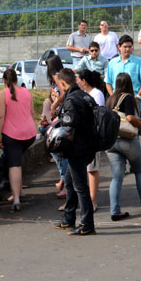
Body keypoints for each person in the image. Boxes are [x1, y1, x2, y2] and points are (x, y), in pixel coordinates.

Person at [51, 69, 97, 236]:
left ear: (63, 83)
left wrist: (59, 118)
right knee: (70, 183)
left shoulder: (71, 100)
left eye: (58, 84)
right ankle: (69, 218)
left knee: (81, 187)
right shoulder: (85, 96)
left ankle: (87, 224)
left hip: (77, 148)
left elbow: (69, 125)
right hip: (87, 146)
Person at [104, 73, 141, 221]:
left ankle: (115, 211)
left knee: (117, 177)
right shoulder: (127, 97)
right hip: (127, 140)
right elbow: (130, 118)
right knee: (139, 171)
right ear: (129, 84)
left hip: (111, 142)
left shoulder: (110, 99)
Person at [0, 68, 36, 212]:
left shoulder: (2, 94)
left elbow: (0, 116)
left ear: (4, 81)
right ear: (16, 80)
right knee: (17, 160)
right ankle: (20, 190)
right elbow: (32, 112)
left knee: (14, 165)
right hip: (29, 133)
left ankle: (16, 197)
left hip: (12, 134)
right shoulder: (26, 92)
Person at [77, 69, 104, 211]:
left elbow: (97, 116)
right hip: (83, 137)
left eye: (78, 79)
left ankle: (93, 201)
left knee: (92, 169)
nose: (77, 82)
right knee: (86, 169)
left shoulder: (96, 94)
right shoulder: (84, 94)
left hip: (92, 137)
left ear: (84, 81)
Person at [105, 35, 141, 116]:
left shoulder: (139, 62)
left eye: (130, 47)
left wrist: (138, 97)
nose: (128, 49)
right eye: (125, 47)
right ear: (119, 47)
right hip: (116, 101)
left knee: (133, 125)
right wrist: (113, 96)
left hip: (133, 100)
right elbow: (108, 82)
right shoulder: (112, 63)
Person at [45, 54, 68, 199]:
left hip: (61, 116)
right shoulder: (61, 75)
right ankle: (63, 179)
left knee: (55, 148)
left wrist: (54, 105)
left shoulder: (57, 76)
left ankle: (65, 179)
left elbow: (64, 93)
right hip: (60, 115)